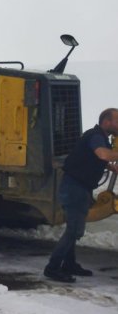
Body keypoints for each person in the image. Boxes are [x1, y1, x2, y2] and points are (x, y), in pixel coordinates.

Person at [44, 108, 118, 283]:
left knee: (73, 229)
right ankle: (52, 268)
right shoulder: (96, 136)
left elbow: (93, 157)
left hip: (78, 187)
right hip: (74, 188)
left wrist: (110, 167)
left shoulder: (99, 137)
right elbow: (102, 154)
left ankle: (69, 264)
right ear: (106, 122)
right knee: (74, 231)